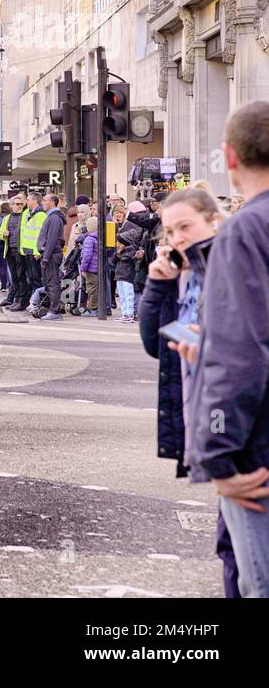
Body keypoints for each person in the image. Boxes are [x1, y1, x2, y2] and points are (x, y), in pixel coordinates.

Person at [177, 102, 269, 597]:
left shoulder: (245, 230)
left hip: (258, 451)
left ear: (229, 157)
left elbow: (239, 355)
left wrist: (216, 451)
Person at [138, 186, 233, 595]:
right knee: (231, 546)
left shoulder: (233, 266)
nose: (177, 239)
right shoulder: (182, 276)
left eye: (186, 227)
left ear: (215, 222)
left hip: (235, 416)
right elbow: (155, 345)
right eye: (170, 231)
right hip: (206, 411)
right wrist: (157, 285)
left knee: (242, 550)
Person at [9, 192, 46, 313]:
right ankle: (29, 302)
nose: (26, 202)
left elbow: (39, 235)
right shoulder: (27, 213)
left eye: (28, 200)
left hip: (34, 252)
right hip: (26, 250)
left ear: (35, 201)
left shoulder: (40, 215)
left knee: (36, 279)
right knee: (28, 278)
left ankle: (37, 304)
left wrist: (37, 251)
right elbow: (24, 233)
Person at [36, 193, 67, 320]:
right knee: (49, 282)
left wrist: (46, 257)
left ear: (53, 202)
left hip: (52, 255)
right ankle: (53, 310)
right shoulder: (52, 217)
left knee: (52, 282)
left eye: (45, 200)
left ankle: (55, 311)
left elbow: (52, 239)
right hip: (50, 254)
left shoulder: (54, 218)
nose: (42, 203)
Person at [113, 205, 143, 323]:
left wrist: (121, 253)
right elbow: (113, 261)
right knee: (122, 296)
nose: (117, 244)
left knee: (128, 295)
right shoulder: (120, 251)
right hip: (120, 275)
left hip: (127, 276)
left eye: (119, 243)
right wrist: (118, 253)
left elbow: (130, 258)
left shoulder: (130, 250)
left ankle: (129, 314)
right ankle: (124, 313)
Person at [0, 195, 26, 308]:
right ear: (12, 205)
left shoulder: (25, 217)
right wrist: (3, 234)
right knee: (13, 276)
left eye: (21, 204)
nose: (19, 206)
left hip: (20, 251)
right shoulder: (6, 218)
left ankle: (18, 299)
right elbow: (0, 233)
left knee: (20, 276)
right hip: (9, 249)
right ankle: (12, 298)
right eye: (17, 204)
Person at [78, 213, 100, 316]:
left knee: (91, 288)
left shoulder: (89, 239)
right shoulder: (100, 237)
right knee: (97, 288)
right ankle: (98, 307)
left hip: (90, 269)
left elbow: (86, 256)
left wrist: (83, 268)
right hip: (98, 268)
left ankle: (92, 309)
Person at [0, 201, 13, 293]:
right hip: (9, 244)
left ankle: (3, 285)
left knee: (2, 266)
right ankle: (10, 284)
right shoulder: (11, 217)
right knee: (10, 265)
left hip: (0, 244)